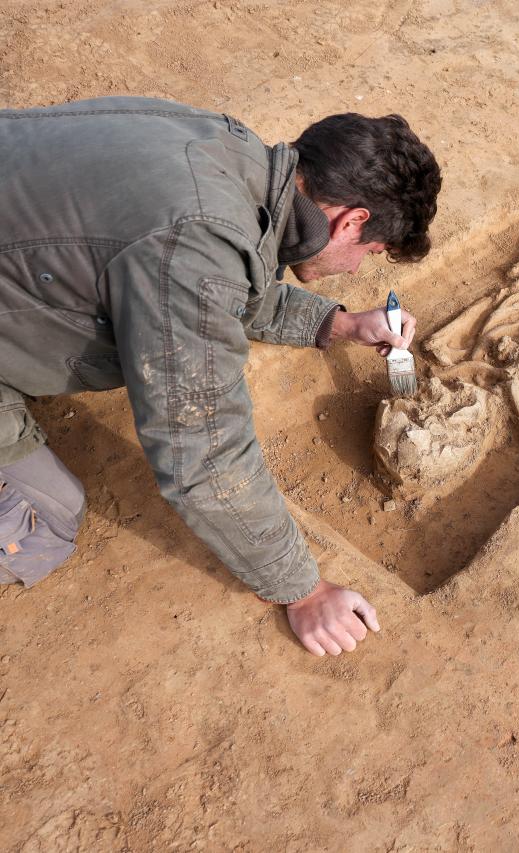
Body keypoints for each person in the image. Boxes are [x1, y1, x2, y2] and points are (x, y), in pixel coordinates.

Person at [0, 97, 442, 656]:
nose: (355, 269)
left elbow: (222, 278)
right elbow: (203, 456)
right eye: (369, 251)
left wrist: (340, 323)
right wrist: (301, 590)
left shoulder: (225, 148)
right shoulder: (195, 244)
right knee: (40, 525)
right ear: (351, 220)